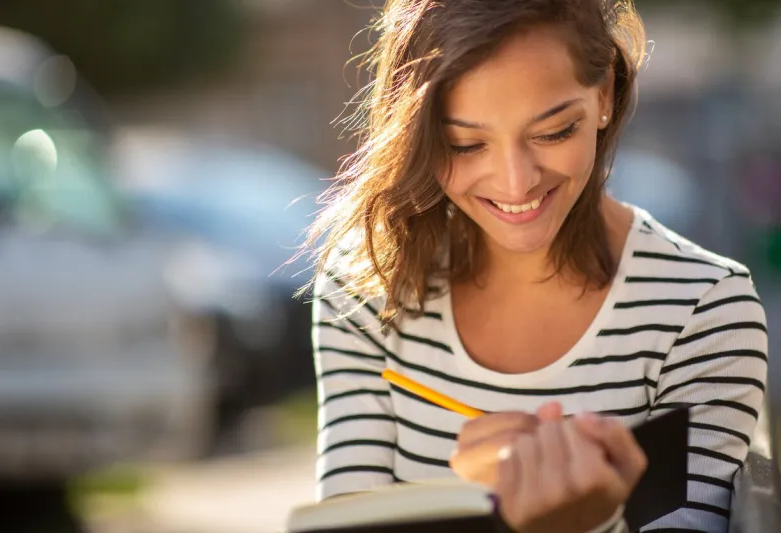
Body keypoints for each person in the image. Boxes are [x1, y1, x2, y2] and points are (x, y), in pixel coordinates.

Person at [303, 0, 769, 531]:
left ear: (605, 97)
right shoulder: (368, 283)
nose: (515, 182)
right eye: (466, 143)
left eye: (552, 132)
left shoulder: (703, 312)